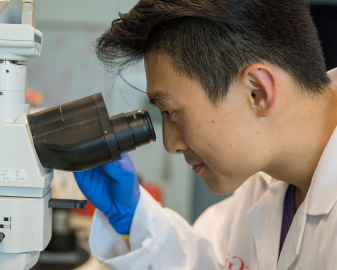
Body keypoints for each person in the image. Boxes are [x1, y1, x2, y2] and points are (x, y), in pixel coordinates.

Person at [73, 0, 337, 269]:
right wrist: (133, 217)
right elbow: (210, 260)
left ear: (258, 92)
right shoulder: (266, 179)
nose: (171, 145)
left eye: (171, 112)